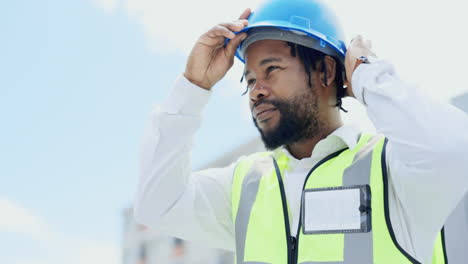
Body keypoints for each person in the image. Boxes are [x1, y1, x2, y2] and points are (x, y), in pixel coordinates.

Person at [134, 0, 468, 263]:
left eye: (272, 70)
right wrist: (193, 86)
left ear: (325, 70)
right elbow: (156, 205)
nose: (256, 91)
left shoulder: (395, 171)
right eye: (250, 79)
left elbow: (454, 149)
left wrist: (367, 75)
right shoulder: (245, 186)